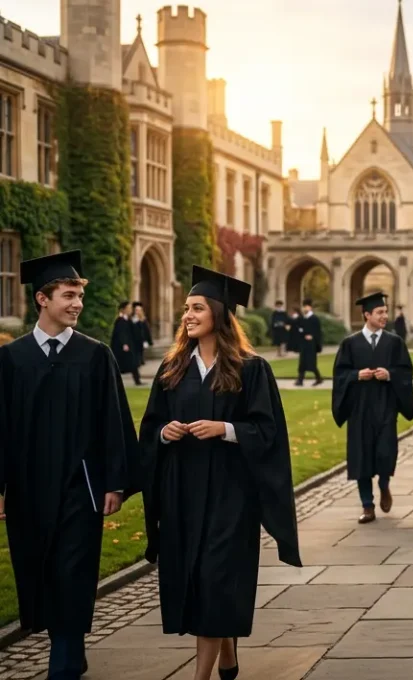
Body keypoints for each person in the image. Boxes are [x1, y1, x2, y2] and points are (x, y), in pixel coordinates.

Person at [138, 266, 301, 680]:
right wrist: (164, 431)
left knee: (215, 577)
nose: (187, 316)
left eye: (196, 308)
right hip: (183, 493)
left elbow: (268, 432)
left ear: (218, 314)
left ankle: (201, 677)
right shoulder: (172, 368)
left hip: (231, 496)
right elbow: (150, 427)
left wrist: (225, 429)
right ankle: (227, 654)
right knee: (199, 581)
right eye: (185, 309)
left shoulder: (250, 369)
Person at [0, 250, 137, 680]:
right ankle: (64, 646)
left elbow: (114, 422)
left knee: (74, 570)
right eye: (68, 295)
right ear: (42, 299)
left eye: (78, 295)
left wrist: (115, 481)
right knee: (37, 564)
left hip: (82, 486)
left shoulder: (95, 356)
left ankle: (65, 656)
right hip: (28, 488)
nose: (77, 303)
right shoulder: (11, 359)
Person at [332, 292, 413, 524]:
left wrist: (390, 374)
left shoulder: (394, 342)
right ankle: (367, 505)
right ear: (367, 315)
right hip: (359, 410)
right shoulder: (350, 343)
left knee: (385, 452)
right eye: (379, 312)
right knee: (361, 457)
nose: (384, 316)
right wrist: (355, 375)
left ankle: (384, 484)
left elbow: (406, 373)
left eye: (385, 312)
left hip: (385, 407)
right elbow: (339, 375)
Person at [112, 300, 142, 385]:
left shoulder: (128, 320)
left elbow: (133, 332)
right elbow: (121, 333)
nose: (130, 310)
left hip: (129, 345)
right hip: (122, 346)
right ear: (123, 309)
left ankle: (137, 381)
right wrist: (124, 343)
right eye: (128, 308)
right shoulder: (120, 320)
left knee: (133, 363)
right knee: (118, 365)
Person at [295, 299, 323, 386]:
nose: (304, 308)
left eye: (306, 306)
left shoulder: (314, 319)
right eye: (303, 306)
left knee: (311, 362)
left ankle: (319, 378)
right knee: (302, 361)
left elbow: (318, 331)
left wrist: (313, 336)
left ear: (310, 307)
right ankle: (300, 380)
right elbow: (298, 328)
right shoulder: (302, 318)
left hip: (311, 344)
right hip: (304, 343)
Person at [132, 301, 152, 368]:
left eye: (139, 310)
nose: (137, 311)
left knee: (141, 351)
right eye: (136, 310)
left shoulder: (143, 319)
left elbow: (146, 330)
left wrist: (147, 340)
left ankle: (141, 361)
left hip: (142, 339)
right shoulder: (132, 319)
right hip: (134, 338)